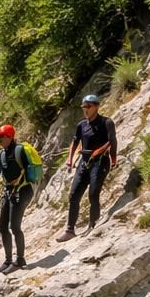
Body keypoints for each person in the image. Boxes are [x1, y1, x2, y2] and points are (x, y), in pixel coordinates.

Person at [57, 93, 118, 239]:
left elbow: (112, 141)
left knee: (93, 194)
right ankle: (70, 230)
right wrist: (70, 159)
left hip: (100, 161)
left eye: (88, 106)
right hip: (83, 163)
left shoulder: (106, 122)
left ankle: (93, 224)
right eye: (84, 106)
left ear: (96, 107)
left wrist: (113, 158)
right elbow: (75, 142)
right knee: (73, 195)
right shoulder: (81, 125)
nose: (85, 109)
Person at [0, 123, 33, 273]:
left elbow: (29, 170)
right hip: (9, 192)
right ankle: (8, 260)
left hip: (22, 190)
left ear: (10, 137)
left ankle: (19, 260)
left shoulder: (20, 151)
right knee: (2, 228)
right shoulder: (2, 154)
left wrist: (18, 184)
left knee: (15, 227)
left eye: (1, 137)